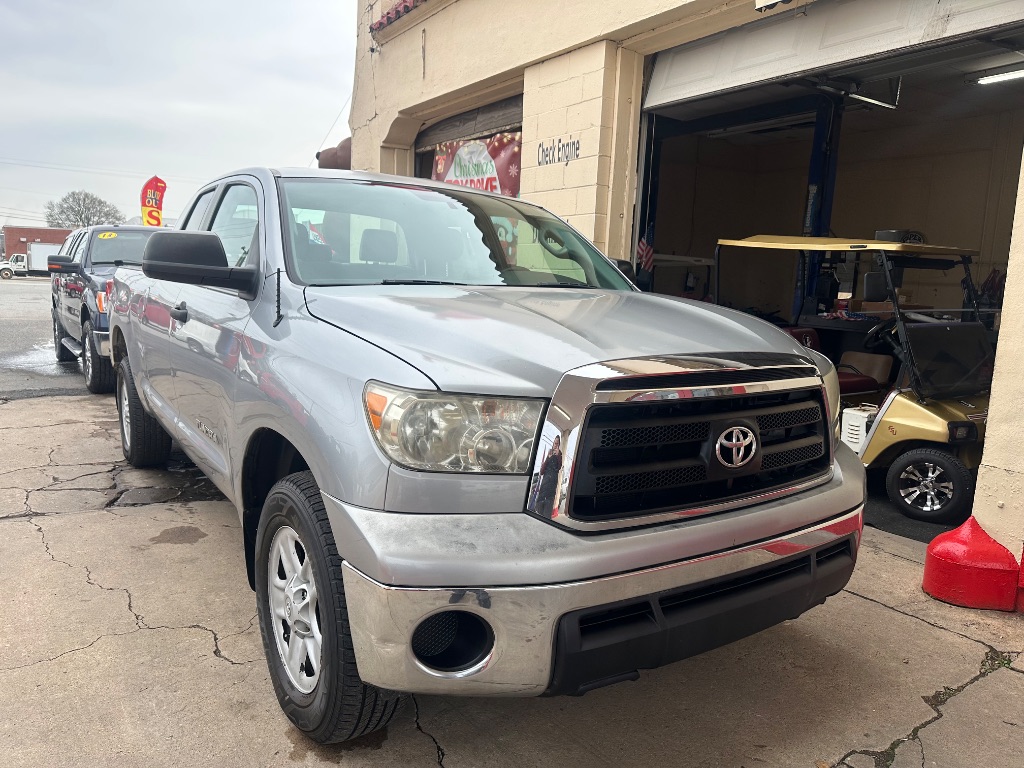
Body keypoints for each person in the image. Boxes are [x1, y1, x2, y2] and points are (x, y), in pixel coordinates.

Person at [532, 436, 563, 515]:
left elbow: (559, 467)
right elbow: (542, 471)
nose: (555, 445)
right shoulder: (549, 452)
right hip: (545, 480)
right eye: (555, 443)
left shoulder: (559, 454)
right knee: (540, 501)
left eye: (557, 443)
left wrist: (558, 455)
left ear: (559, 445)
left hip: (552, 481)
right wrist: (548, 458)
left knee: (549, 502)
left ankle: (546, 518)